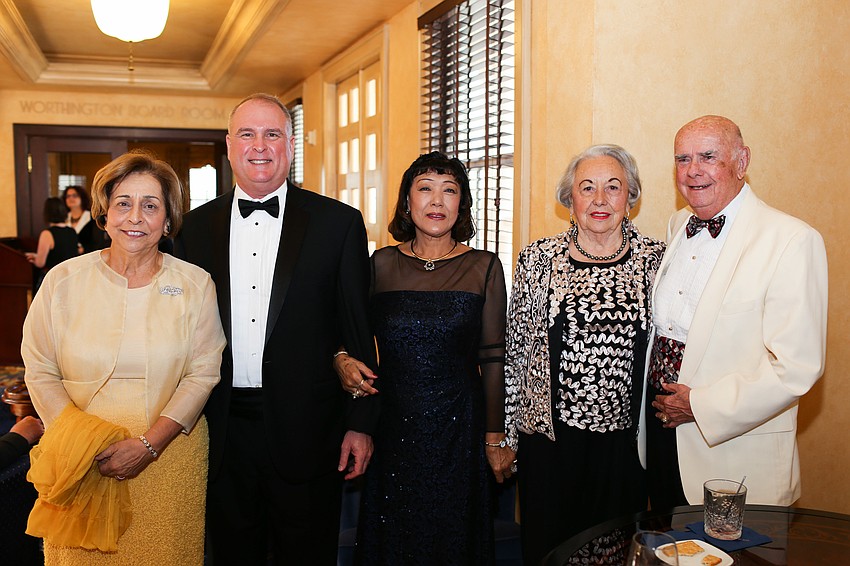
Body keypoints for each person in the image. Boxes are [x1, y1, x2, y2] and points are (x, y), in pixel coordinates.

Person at [173, 93, 378, 565]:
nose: (259, 146)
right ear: (229, 145)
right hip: (218, 429)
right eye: (247, 134)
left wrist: (361, 423)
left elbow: (357, 329)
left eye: (272, 134)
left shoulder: (338, 224)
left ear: (290, 144)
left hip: (311, 429)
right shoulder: (193, 229)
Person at [22, 150, 226, 563]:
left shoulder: (195, 284)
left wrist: (150, 445)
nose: (135, 217)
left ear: (167, 220)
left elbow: (203, 372)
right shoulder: (62, 281)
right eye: (123, 203)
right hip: (80, 460)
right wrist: (80, 440)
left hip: (169, 454)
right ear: (104, 214)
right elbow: (40, 368)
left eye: (150, 206)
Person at [333, 151, 509, 564]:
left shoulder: (483, 267)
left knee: (453, 537)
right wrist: (340, 356)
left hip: (459, 430)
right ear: (407, 202)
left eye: (450, 191)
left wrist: (494, 436)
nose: (437, 201)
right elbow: (350, 334)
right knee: (395, 538)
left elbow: (493, 358)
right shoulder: (381, 264)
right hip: (393, 426)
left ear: (462, 203)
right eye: (425, 189)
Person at [646, 115, 828, 509]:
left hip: (733, 455)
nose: (693, 170)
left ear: (742, 162)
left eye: (708, 157)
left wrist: (700, 406)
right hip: (663, 440)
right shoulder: (678, 224)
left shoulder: (792, 240)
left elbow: (797, 367)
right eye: (682, 159)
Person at [503, 144, 665, 565]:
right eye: (587, 187)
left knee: (616, 554)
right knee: (550, 552)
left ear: (630, 197)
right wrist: (505, 437)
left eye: (613, 187)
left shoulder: (657, 260)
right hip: (549, 448)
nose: (599, 200)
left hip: (625, 451)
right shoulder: (537, 259)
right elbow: (516, 350)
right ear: (569, 198)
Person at [25, 197, 79, 294]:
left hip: (54, 279)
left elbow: (40, 263)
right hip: (70, 278)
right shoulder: (72, 231)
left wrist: (35, 259)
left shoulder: (47, 234)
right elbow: (64, 253)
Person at [64, 185, 110, 253]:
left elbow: (98, 242)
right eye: (68, 196)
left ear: (82, 198)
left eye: (74, 195)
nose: (71, 198)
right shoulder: (63, 218)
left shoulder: (92, 217)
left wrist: (84, 249)